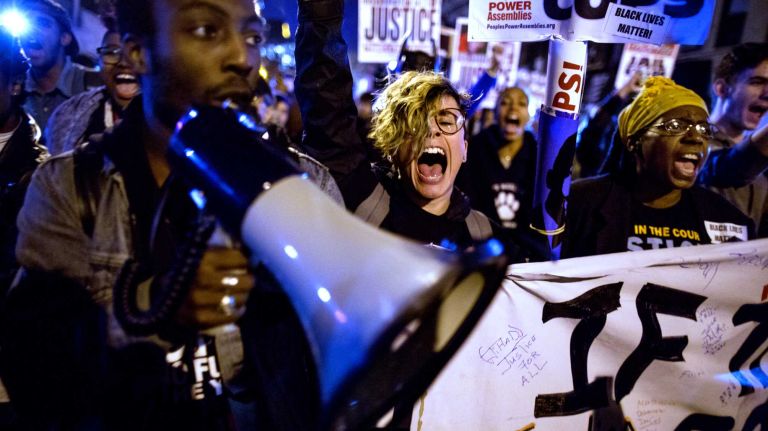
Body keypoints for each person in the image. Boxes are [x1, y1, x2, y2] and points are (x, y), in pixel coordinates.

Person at [4, 0, 341, 430]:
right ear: (138, 53)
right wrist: (154, 306)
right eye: (206, 31)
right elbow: (36, 373)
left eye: (252, 37)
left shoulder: (307, 186)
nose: (241, 57)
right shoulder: (71, 189)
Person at [297, 33, 496, 251]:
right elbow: (327, 107)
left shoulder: (488, 240)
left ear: (465, 149)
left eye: (446, 122)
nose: (430, 130)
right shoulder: (362, 200)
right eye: (415, 121)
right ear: (391, 146)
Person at [562, 77, 755, 258]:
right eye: (676, 126)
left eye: (704, 129)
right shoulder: (576, 204)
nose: (696, 138)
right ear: (634, 141)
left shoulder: (728, 220)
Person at [457, 86, 546, 259]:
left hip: (523, 252)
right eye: (505, 103)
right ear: (496, 112)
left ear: (528, 115)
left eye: (521, 104)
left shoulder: (539, 157)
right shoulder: (475, 149)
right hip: (482, 247)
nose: (513, 108)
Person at [697, 43, 768, 236]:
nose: (767, 93)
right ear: (721, 88)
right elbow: (730, 167)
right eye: (757, 82)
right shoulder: (691, 140)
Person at [45, 16, 140, 155]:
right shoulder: (67, 115)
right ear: (99, 61)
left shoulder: (173, 120)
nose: (123, 63)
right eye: (111, 52)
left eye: (134, 53)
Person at [19, 0, 100, 130]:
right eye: (26, 24)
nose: (32, 31)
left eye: (42, 23)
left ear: (64, 38)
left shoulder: (94, 84)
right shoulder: (13, 91)